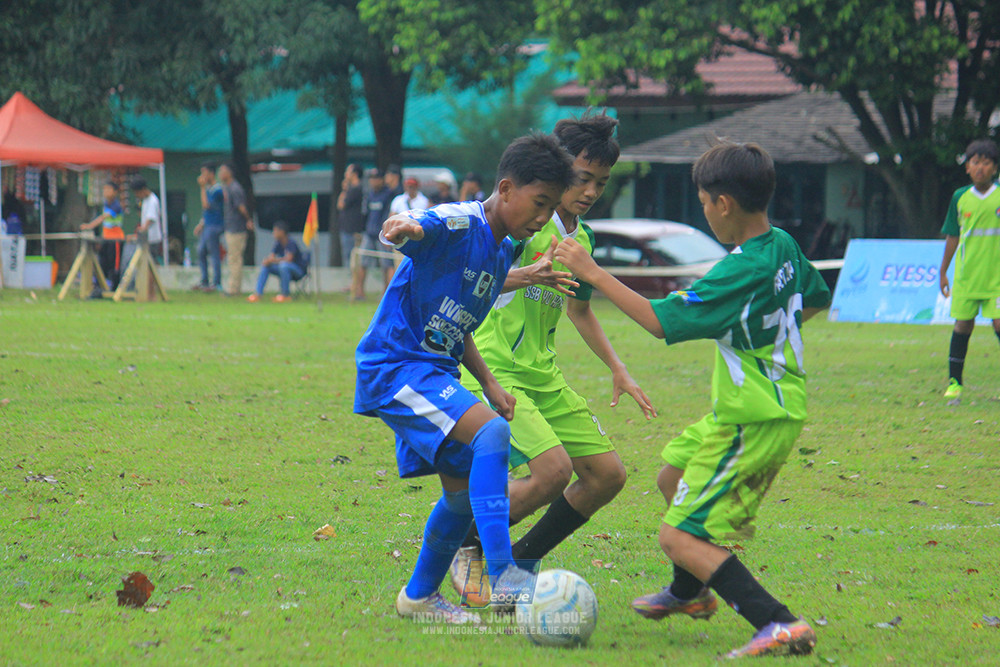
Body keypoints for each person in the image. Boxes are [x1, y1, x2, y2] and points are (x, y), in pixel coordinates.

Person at [554, 141, 831, 658]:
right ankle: (690, 592)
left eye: (704, 203)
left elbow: (660, 322)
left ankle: (779, 623)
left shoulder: (739, 271)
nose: (704, 212)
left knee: (678, 537)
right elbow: (816, 297)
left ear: (723, 204)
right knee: (671, 476)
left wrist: (593, 272)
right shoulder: (782, 245)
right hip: (751, 405)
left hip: (756, 416)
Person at [354, 133, 574, 624]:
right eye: (539, 203)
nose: (543, 217)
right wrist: (403, 226)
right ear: (506, 188)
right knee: (493, 434)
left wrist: (490, 384)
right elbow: (420, 226)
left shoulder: (502, 250)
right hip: (396, 365)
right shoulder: (460, 221)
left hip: (434, 368)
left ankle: (418, 597)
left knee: (458, 497)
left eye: (551, 208)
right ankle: (504, 574)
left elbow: (461, 322)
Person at [450, 113, 656, 607]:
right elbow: (468, 281)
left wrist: (618, 367)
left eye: (600, 182)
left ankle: (519, 565)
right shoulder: (522, 225)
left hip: (543, 376)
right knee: (552, 472)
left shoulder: (581, 239)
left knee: (607, 475)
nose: (590, 191)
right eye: (582, 178)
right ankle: (465, 546)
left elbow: (580, 310)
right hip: (496, 370)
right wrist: (528, 273)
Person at [938, 138, 1000, 404]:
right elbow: (953, 236)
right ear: (967, 167)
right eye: (975, 162)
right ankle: (955, 383)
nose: (980, 168)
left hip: (997, 278)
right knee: (963, 325)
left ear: (994, 168)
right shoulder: (960, 197)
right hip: (967, 276)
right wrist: (943, 271)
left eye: (986, 163)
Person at [353, 168, 395, 299]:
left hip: (382, 235)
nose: (373, 181)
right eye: (371, 179)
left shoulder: (388, 195)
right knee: (362, 262)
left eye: (375, 178)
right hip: (369, 233)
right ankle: (359, 292)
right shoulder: (369, 195)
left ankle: (386, 293)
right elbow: (364, 214)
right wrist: (361, 230)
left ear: (381, 180)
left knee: (386, 264)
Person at [79, 181, 124, 294]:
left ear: (115, 192)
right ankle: (100, 288)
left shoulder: (116, 206)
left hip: (115, 240)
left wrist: (89, 226)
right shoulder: (105, 204)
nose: (106, 192)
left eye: (109, 189)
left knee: (114, 265)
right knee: (102, 263)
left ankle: (115, 290)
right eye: (104, 189)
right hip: (106, 239)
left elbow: (102, 218)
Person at [248, 220, 307, 303]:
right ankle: (258, 294)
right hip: (283, 268)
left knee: (284, 265)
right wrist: (268, 261)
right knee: (266, 266)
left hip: (297, 270)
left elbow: (289, 259)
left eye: (275, 231)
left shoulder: (291, 243)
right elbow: (272, 256)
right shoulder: (278, 243)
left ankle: (285, 295)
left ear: (282, 232)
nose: (273, 233)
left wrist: (274, 260)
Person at [219, 162, 253, 296]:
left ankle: (233, 289)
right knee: (233, 258)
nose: (220, 174)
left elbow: (241, 207)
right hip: (231, 227)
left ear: (229, 173)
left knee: (235, 258)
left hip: (237, 229)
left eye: (222, 171)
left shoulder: (235, 189)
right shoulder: (227, 188)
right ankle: (234, 287)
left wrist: (248, 220)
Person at [193, 161, 225, 291]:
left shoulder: (217, 190)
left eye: (204, 173)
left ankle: (216, 282)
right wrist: (201, 224)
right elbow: (207, 212)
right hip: (207, 225)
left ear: (211, 173)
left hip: (215, 225)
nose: (202, 176)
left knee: (214, 253)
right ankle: (204, 280)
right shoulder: (209, 189)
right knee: (201, 251)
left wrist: (201, 188)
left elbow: (206, 205)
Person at [338, 164, 365, 298]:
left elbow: (341, 204)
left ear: (354, 174)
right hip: (348, 228)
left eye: (348, 171)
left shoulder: (355, 189)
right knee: (351, 260)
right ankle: (353, 286)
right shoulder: (355, 188)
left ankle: (356, 288)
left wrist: (344, 190)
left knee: (354, 260)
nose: (345, 174)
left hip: (351, 230)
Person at [128, 177, 163, 261]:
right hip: (146, 238)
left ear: (143, 189)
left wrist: (142, 229)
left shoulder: (152, 200)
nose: (136, 195)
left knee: (150, 262)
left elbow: (151, 218)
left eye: (137, 192)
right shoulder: (145, 200)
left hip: (152, 239)